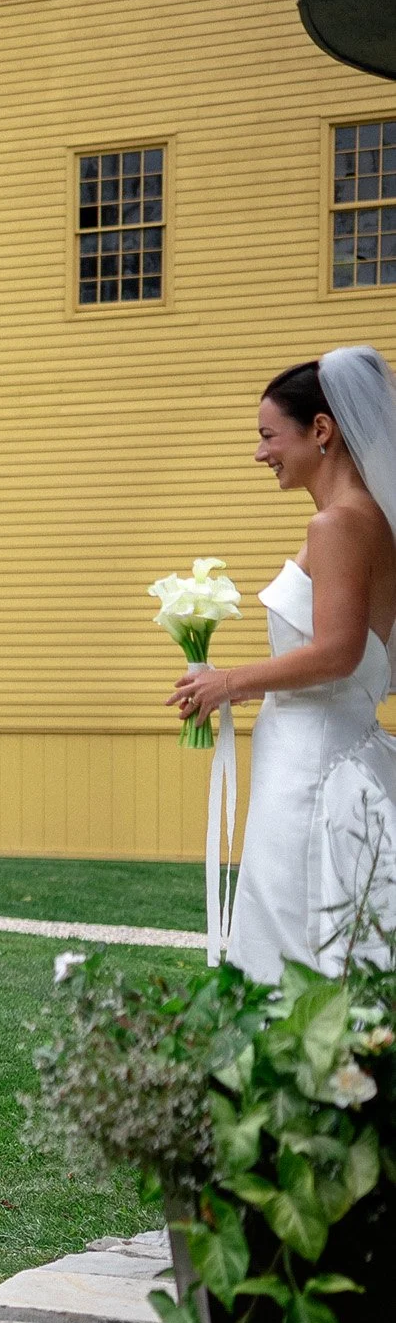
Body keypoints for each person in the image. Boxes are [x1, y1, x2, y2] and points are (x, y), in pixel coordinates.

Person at [176, 348, 396, 982]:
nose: (260, 453)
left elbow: (339, 651)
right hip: (325, 748)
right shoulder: (369, 521)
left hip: (312, 766)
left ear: (321, 430)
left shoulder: (339, 525)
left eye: (269, 436)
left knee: (290, 936)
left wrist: (228, 683)